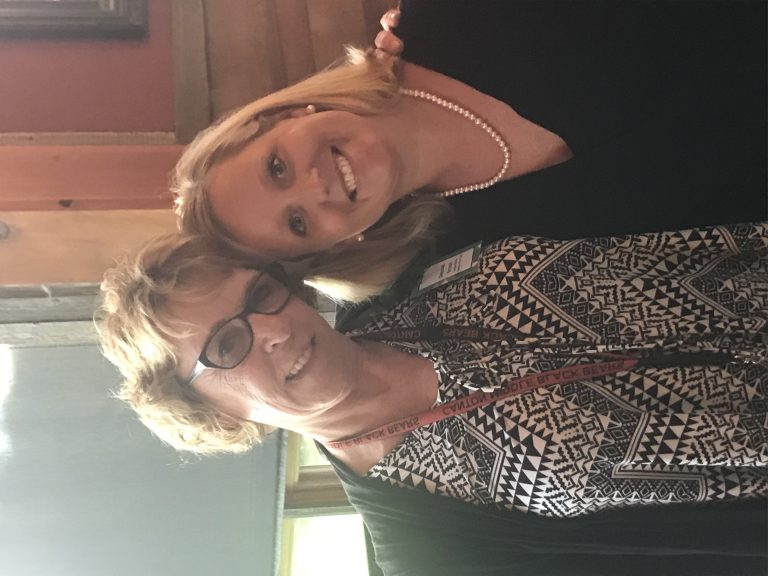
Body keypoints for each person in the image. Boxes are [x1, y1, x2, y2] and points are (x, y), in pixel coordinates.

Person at [99, 223, 768, 574]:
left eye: (259, 295)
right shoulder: (428, 541)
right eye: (227, 344)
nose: (273, 329)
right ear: (213, 414)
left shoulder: (399, 277)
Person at [173, 1, 767, 301]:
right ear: (338, 245)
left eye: (276, 167)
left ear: (286, 115)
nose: (314, 185)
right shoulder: (479, 263)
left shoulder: (450, 15)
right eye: (299, 223)